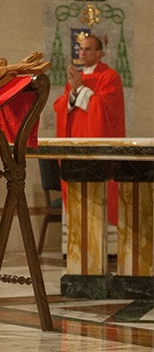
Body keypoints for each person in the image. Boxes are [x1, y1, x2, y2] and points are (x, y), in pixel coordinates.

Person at [53, 34, 125, 226]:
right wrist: (75, 91)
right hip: (74, 143)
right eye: (80, 49)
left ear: (100, 52)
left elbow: (105, 106)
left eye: (87, 49)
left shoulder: (110, 77)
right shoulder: (77, 78)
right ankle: (78, 241)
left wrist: (80, 88)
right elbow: (61, 106)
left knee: (100, 194)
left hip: (98, 142)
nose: (82, 53)